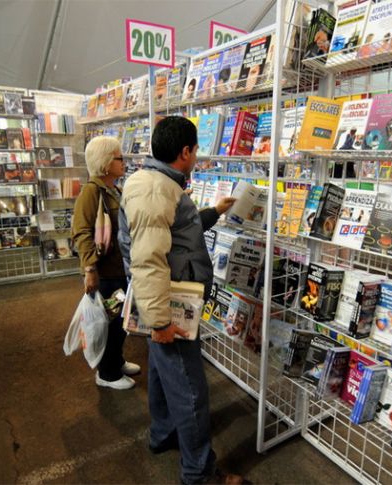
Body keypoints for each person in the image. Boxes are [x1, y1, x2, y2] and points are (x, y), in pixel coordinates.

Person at [117, 116, 244, 484]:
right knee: (190, 389)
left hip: (165, 299)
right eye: (196, 150)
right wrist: (160, 322)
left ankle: (162, 434)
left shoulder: (156, 184)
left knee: (161, 373)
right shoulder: (156, 189)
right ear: (185, 151)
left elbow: (174, 235)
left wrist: (214, 212)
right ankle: (199, 474)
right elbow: (148, 258)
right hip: (170, 305)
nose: (197, 156)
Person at [72, 136, 139, 390]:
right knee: (108, 324)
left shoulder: (114, 189)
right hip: (105, 272)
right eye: (119, 157)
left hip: (119, 269)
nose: (124, 162)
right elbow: (81, 232)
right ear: (106, 162)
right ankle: (107, 374)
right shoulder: (92, 191)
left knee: (120, 322)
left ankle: (116, 361)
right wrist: (89, 269)